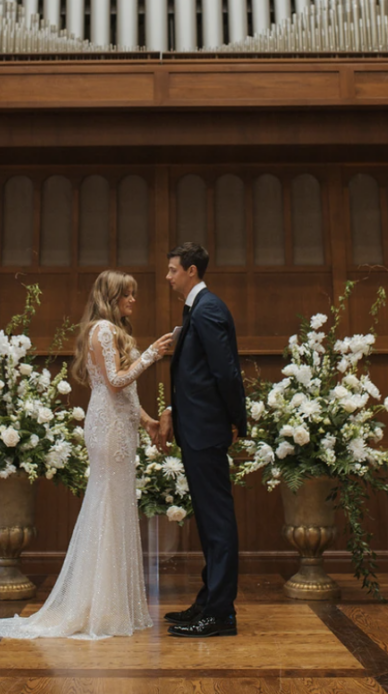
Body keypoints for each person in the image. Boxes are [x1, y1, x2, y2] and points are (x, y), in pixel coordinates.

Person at [0, 270, 172, 640]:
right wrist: (151, 355)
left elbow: (126, 393)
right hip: (107, 426)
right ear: (111, 298)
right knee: (105, 506)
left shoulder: (116, 332)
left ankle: (111, 604)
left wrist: (146, 420)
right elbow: (115, 382)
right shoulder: (101, 329)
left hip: (121, 423)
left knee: (116, 507)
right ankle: (95, 605)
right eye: (128, 295)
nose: (134, 300)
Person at [159, 242, 247, 638]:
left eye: (173, 270)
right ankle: (208, 600)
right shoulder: (198, 309)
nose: (168, 276)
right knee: (211, 523)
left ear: (191, 271)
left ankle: (220, 613)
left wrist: (235, 420)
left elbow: (225, 373)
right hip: (197, 427)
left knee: (217, 523)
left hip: (207, 430)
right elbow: (196, 376)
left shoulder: (208, 309)